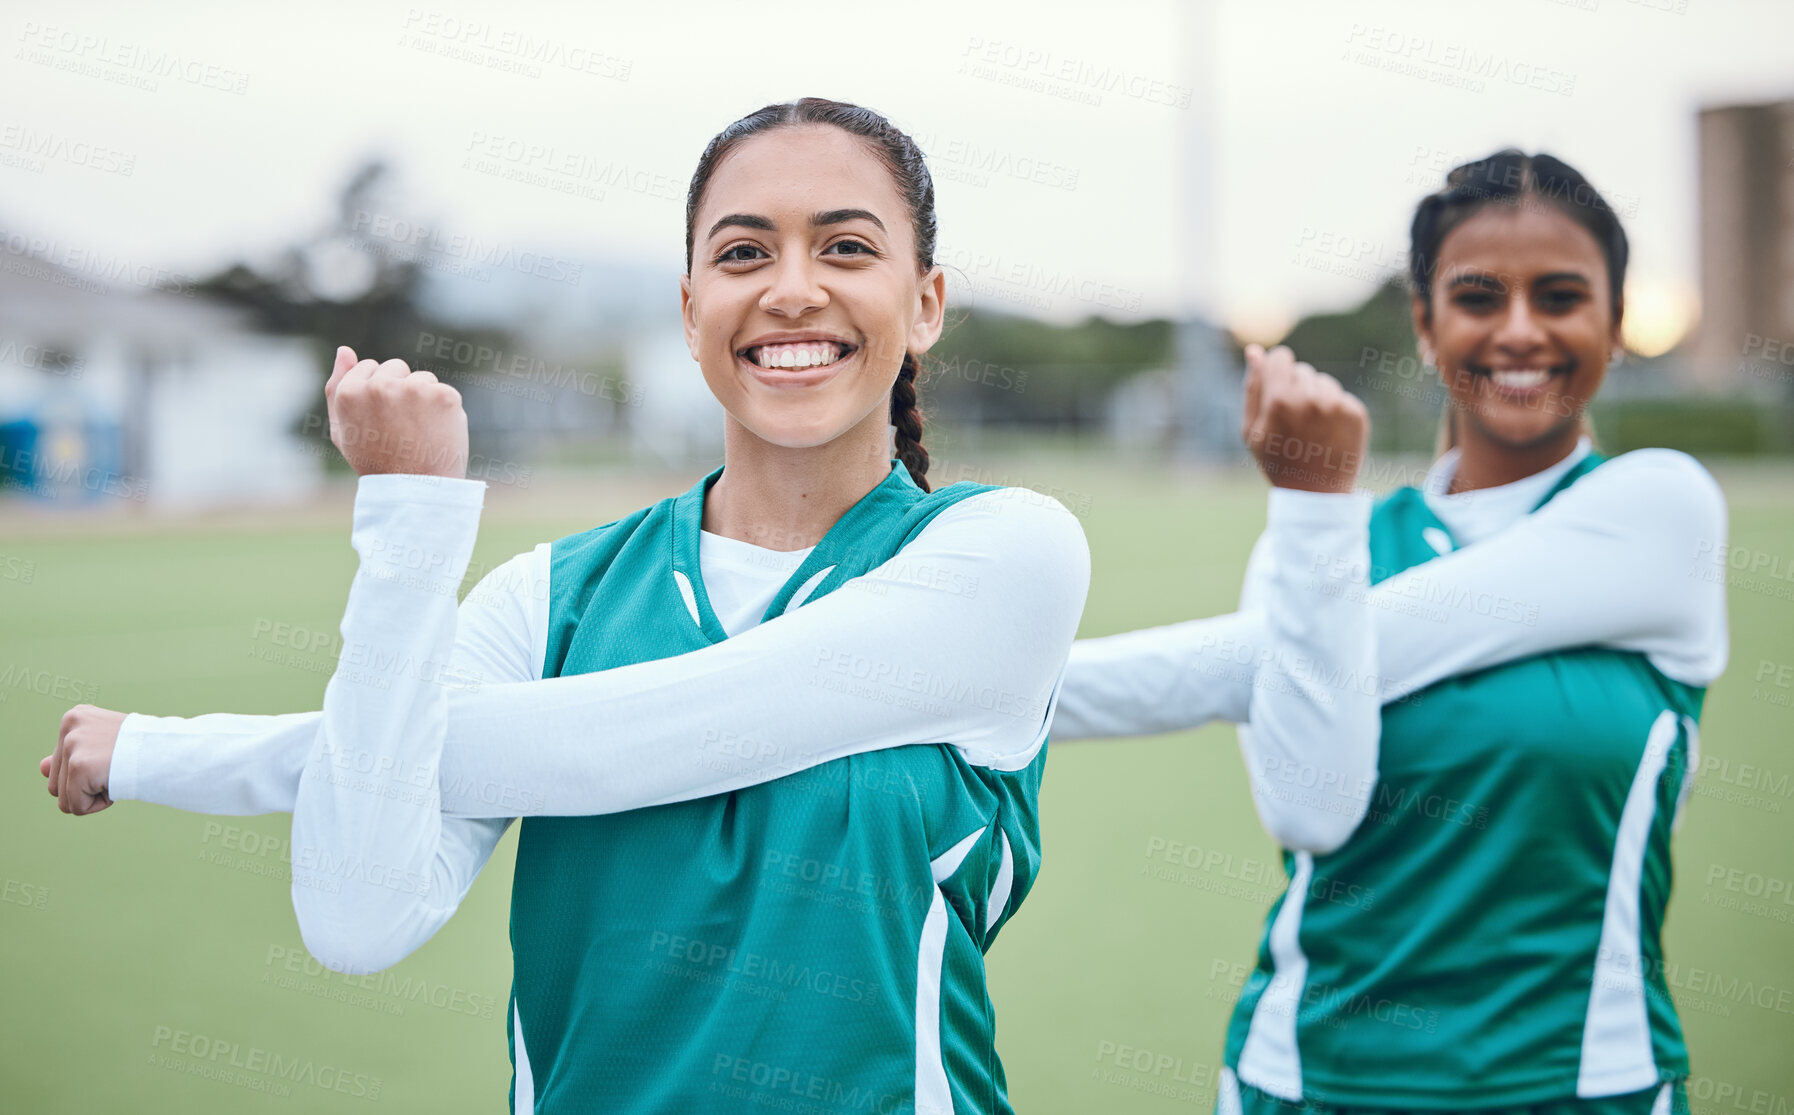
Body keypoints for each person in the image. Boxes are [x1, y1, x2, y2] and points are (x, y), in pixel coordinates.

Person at [41, 99, 1381, 1114]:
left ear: (922, 302)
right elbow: (358, 913)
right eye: (744, 250)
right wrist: (406, 530)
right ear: (691, 307)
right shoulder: (545, 596)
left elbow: (627, 740)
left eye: (843, 247)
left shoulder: (1005, 557)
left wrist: (183, 749)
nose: (789, 286)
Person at [1051, 150, 1728, 1115]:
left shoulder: (1661, 512)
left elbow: (1279, 657)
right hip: (1309, 1084)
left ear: (1617, 323)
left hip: (1585, 1088)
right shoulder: (1326, 548)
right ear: (1425, 323)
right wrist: (1318, 517)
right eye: (1479, 296)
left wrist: (979, 685)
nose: (1521, 329)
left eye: (1562, 294)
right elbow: (1309, 810)